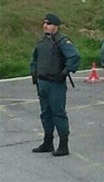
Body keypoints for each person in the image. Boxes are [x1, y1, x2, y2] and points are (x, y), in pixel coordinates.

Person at [30, 13, 80, 157]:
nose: (45, 26)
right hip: (42, 82)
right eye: (44, 23)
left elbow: (75, 57)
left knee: (58, 114)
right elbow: (34, 58)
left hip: (55, 84)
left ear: (56, 26)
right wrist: (34, 73)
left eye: (49, 23)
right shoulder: (42, 41)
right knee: (45, 114)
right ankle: (48, 141)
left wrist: (64, 72)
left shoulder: (62, 41)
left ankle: (63, 145)